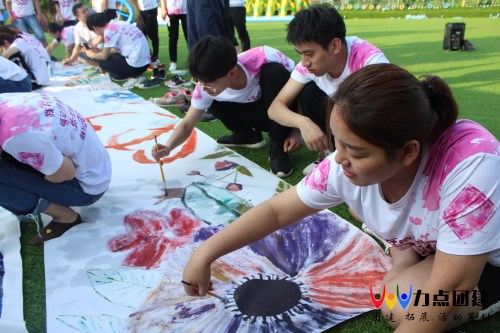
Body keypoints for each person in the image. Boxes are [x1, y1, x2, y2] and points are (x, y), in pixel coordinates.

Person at [182, 63, 500, 331]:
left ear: (407, 152)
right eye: (338, 142)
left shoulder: (471, 166)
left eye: (356, 151)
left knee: (396, 306)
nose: (338, 159)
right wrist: (205, 254)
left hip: (488, 260)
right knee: (361, 212)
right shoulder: (346, 163)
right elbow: (278, 211)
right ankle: (405, 252)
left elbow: (453, 286)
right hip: (433, 243)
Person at [268, 4, 389, 175]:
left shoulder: (370, 63)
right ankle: (331, 153)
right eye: (300, 53)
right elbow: (275, 108)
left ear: (334, 46)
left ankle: (349, 157)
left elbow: (385, 116)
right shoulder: (308, 67)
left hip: (369, 125)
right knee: (308, 92)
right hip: (342, 121)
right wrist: (302, 124)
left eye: (309, 53)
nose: (304, 62)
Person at [153, 36, 297, 178]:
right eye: (199, 80)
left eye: (208, 82)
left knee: (274, 72)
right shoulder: (205, 86)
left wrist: (297, 130)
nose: (203, 86)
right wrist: (168, 147)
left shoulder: (264, 56)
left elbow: (302, 84)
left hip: (282, 114)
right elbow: (187, 124)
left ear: (232, 72)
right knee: (208, 97)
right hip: (254, 115)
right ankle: (246, 135)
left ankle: (278, 144)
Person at [0, 93, 112, 245]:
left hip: (88, 188)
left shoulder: (18, 136)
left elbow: (66, 173)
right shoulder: (9, 102)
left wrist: (33, 179)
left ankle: (65, 217)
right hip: (95, 167)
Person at [86, 12, 150, 87]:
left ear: (94, 28)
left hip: (136, 67)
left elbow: (104, 56)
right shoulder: (118, 23)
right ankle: (134, 74)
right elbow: (116, 50)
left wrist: (91, 54)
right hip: (145, 63)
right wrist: (98, 50)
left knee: (102, 62)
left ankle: (133, 76)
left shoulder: (109, 32)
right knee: (112, 56)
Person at [160, 0, 187, 71]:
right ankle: (173, 61)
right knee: (173, 38)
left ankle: (195, 61)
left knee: (190, 37)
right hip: (171, 10)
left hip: (186, 10)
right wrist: (163, 8)